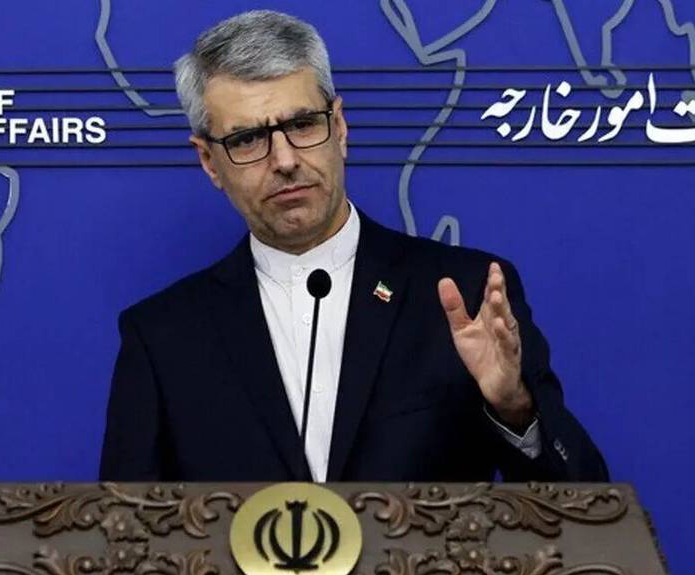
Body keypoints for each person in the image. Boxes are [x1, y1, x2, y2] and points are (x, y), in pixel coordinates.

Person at [99, 10, 607, 483]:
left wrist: (514, 406)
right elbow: (125, 531)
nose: (285, 160)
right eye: (248, 139)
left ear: (338, 128)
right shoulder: (162, 338)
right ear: (210, 162)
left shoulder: (464, 294)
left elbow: (583, 505)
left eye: (302, 125)